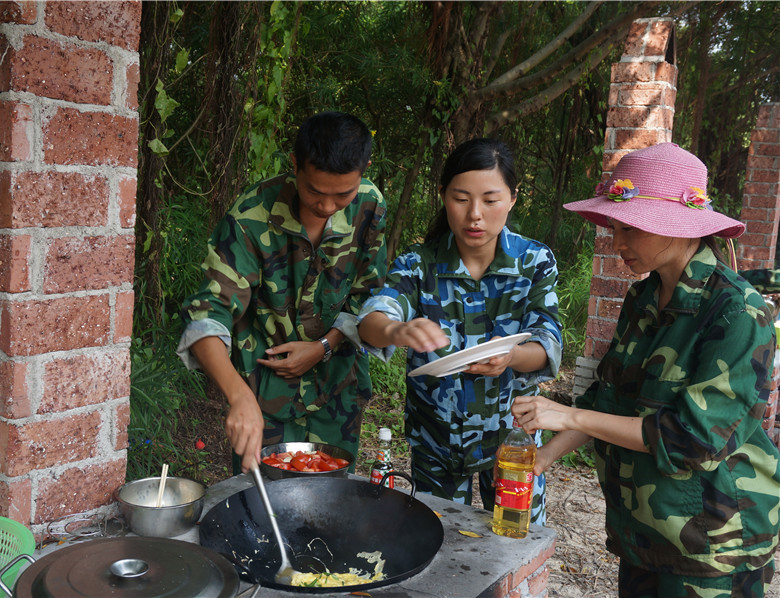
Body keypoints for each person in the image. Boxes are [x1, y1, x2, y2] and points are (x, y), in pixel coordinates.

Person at [512, 143, 780, 597]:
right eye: (615, 227)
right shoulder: (643, 299)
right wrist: (539, 459)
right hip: (646, 534)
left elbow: (691, 440)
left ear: (679, 226)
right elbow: (608, 398)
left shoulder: (738, 314)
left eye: (631, 228)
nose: (618, 243)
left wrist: (569, 416)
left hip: (713, 546)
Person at [357, 138, 562, 523]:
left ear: (513, 198)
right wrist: (398, 330)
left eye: (490, 199)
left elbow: (547, 340)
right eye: (461, 198)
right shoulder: (418, 265)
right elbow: (372, 321)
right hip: (437, 441)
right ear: (443, 195)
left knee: (517, 544)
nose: (475, 216)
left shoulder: (534, 261)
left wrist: (511, 357)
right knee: (439, 547)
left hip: (512, 438)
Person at [176, 111, 387, 472]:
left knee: (333, 506)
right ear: (294, 165)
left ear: (364, 170)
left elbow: (367, 297)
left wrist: (324, 346)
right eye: (314, 191)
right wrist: (239, 396)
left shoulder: (370, 206)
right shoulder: (249, 217)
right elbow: (207, 315)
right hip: (264, 394)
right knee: (261, 509)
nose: (326, 206)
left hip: (337, 390)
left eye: (343, 195)